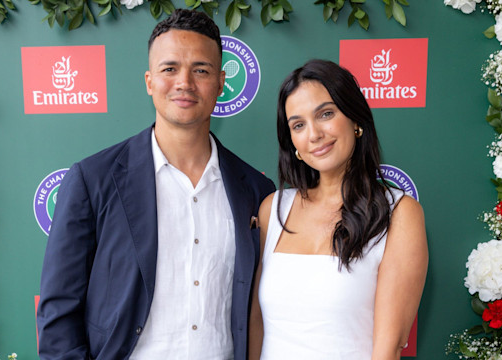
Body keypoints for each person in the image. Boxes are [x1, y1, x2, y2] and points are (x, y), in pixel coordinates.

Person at [36, 9, 275, 360]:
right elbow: (58, 314)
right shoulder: (93, 180)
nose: (185, 82)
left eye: (201, 70)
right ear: (149, 81)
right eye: (170, 69)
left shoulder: (256, 190)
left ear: (222, 82)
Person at [248, 59, 428, 359]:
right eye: (298, 125)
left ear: (356, 120)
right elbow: (256, 326)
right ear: (292, 142)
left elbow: (389, 347)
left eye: (326, 114)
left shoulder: (399, 213)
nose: (314, 134)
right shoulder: (273, 209)